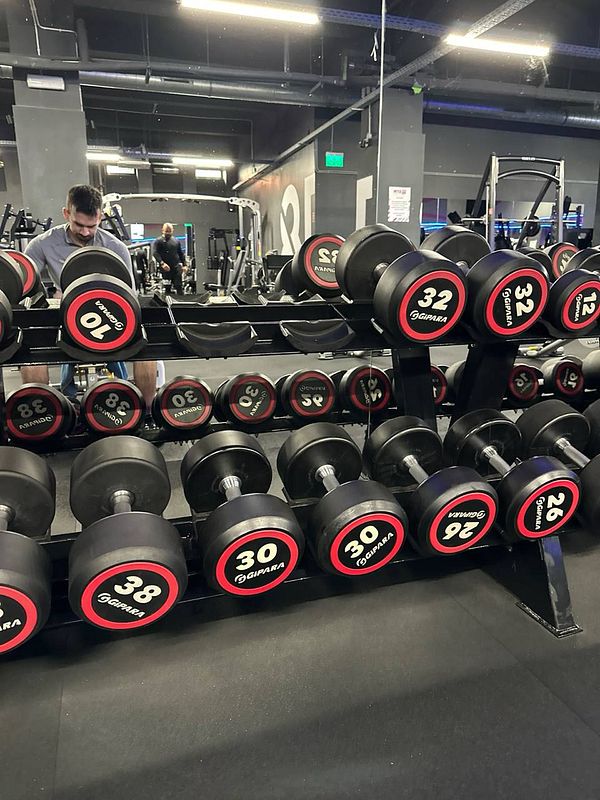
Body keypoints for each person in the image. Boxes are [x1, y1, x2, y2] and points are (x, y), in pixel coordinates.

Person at [22, 185, 157, 410]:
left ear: (100, 217)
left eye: (92, 226)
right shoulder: (43, 244)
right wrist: (48, 298)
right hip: (67, 318)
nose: (85, 232)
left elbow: (130, 297)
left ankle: (147, 413)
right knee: (30, 351)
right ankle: (41, 415)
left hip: (112, 318)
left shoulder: (115, 247)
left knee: (149, 348)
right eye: (79, 225)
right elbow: (25, 286)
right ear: (66, 213)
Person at [152, 222, 187, 295]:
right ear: (162, 230)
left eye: (169, 231)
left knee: (179, 287)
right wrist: (162, 263)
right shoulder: (158, 241)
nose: (168, 233)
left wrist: (185, 265)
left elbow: (180, 253)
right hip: (166, 269)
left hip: (176, 267)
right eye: (166, 231)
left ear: (172, 230)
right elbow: (155, 253)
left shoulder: (176, 241)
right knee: (167, 289)